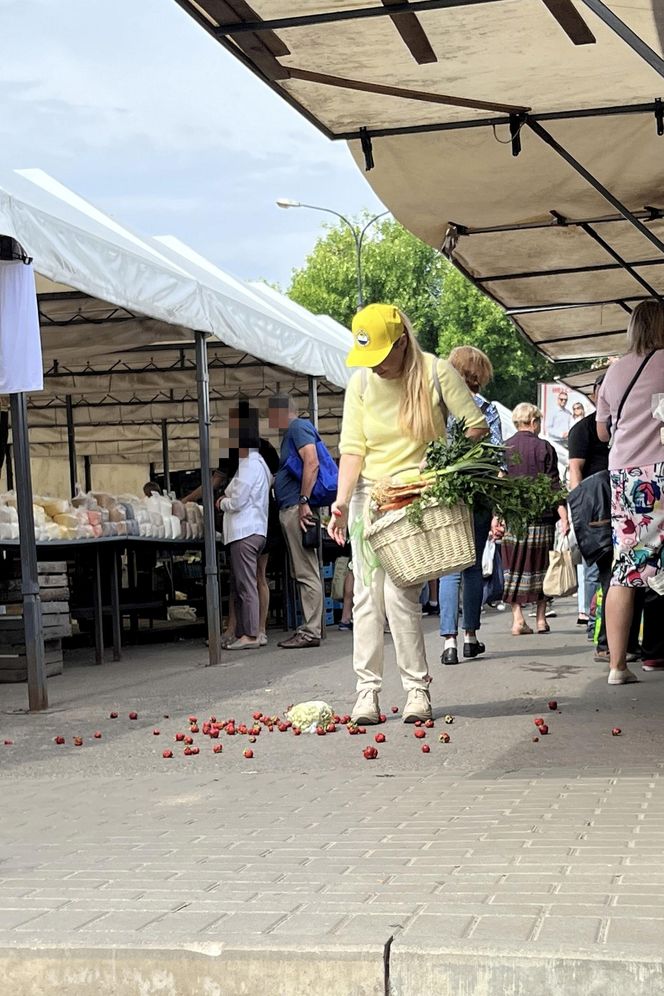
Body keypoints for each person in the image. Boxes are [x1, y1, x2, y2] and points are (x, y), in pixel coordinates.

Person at [327, 303, 488, 724]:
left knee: (401, 596)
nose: (375, 366)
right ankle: (367, 694)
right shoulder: (360, 384)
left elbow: (476, 425)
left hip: (417, 499)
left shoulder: (437, 372)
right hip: (369, 498)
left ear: (401, 343)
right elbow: (352, 449)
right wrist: (342, 503)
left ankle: (417, 692)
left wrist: (438, 465)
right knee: (365, 597)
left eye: (381, 356)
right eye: (368, 358)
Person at [595, 299, 664, 684]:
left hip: (626, 477)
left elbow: (603, 431)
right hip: (663, 471)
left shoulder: (615, 372)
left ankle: (617, 666)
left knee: (625, 569)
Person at [439, 346, 503, 665]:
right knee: (473, 565)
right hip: (478, 494)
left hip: (448, 495)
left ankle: (448, 643)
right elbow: (497, 457)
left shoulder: (442, 407)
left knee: (449, 567)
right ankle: (470, 637)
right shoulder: (485, 409)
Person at [501, 403, 569, 635]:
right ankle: (541, 619)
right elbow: (553, 485)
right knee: (542, 567)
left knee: (514, 567)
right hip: (542, 518)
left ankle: (517, 619)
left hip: (514, 518)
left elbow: (500, 486)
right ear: (534, 422)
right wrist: (564, 516)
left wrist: (496, 516)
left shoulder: (504, 448)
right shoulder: (545, 448)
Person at [268, 394, 323, 649]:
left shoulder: (297, 427)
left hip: (297, 508)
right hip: (294, 506)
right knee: (304, 569)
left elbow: (311, 462)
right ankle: (312, 627)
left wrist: (303, 501)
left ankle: (311, 630)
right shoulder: (294, 430)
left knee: (305, 570)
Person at [217, 406, 272, 650]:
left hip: (245, 531)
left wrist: (222, 502)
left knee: (246, 584)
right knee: (246, 582)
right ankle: (245, 631)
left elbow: (238, 499)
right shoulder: (259, 464)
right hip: (255, 529)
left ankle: (250, 634)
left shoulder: (250, 465)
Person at [568, 374, 610, 633]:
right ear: (594, 395)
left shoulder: (622, 426)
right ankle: (595, 624)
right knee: (597, 567)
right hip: (595, 506)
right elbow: (575, 471)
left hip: (619, 501)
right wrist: (581, 513)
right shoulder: (582, 429)